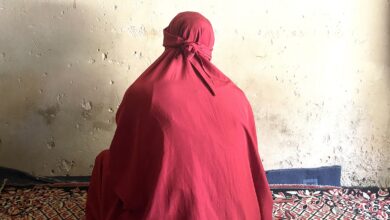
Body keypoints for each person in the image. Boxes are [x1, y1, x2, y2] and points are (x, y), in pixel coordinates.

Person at [85, 11, 273, 220]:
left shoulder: (143, 92)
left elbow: (126, 152)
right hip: (238, 212)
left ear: (168, 39)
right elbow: (251, 163)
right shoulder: (236, 95)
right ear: (209, 44)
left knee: (105, 162)